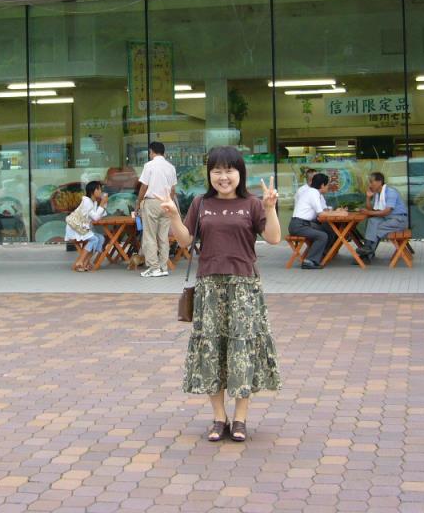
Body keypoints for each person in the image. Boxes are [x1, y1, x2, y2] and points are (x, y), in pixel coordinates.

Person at [161, 146, 281, 443]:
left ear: (240, 173)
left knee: (242, 350)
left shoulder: (252, 204)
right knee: (211, 350)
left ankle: (240, 419)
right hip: (209, 287)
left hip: (244, 287)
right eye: (217, 171)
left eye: (229, 170)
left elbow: (274, 238)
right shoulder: (200, 203)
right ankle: (219, 417)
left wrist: (270, 208)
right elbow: (186, 241)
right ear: (209, 174)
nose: (223, 177)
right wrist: (174, 216)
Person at [135, 141, 178, 277]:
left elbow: (144, 187)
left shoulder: (149, 165)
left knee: (150, 236)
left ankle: (154, 267)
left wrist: (138, 202)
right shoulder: (171, 167)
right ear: (164, 152)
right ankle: (163, 267)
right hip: (166, 202)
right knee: (163, 237)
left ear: (151, 152)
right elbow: (173, 189)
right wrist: (170, 202)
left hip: (152, 202)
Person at [289, 172, 339, 269]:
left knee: (329, 230)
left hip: (304, 224)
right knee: (322, 236)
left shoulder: (312, 192)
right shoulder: (313, 193)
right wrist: (338, 213)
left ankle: (323, 254)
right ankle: (309, 261)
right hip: (299, 225)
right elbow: (321, 214)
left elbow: (321, 212)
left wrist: (335, 212)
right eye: (327, 185)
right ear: (322, 185)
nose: (328, 187)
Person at [359, 172, 409, 257]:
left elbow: (386, 212)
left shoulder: (390, 192)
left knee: (374, 228)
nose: (369, 185)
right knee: (372, 221)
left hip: (399, 220)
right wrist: (368, 197)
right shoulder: (377, 194)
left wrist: (368, 212)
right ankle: (367, 249)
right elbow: (370, 209)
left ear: (379, 182)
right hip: (387, 219)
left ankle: (366, 255)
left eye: (371, 182)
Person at [65, 180, 108, 271]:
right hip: (74, 227)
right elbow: (96, 218)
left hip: (81, 228)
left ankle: (86, 262)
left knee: (101, 238)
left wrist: (103, 204)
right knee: (94, 239)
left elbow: (99, 216)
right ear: (93, 191)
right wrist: (102, 204)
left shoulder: (93, 202)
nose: (100, 192)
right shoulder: (87, 201)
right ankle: (80, 262)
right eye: (98, 189)